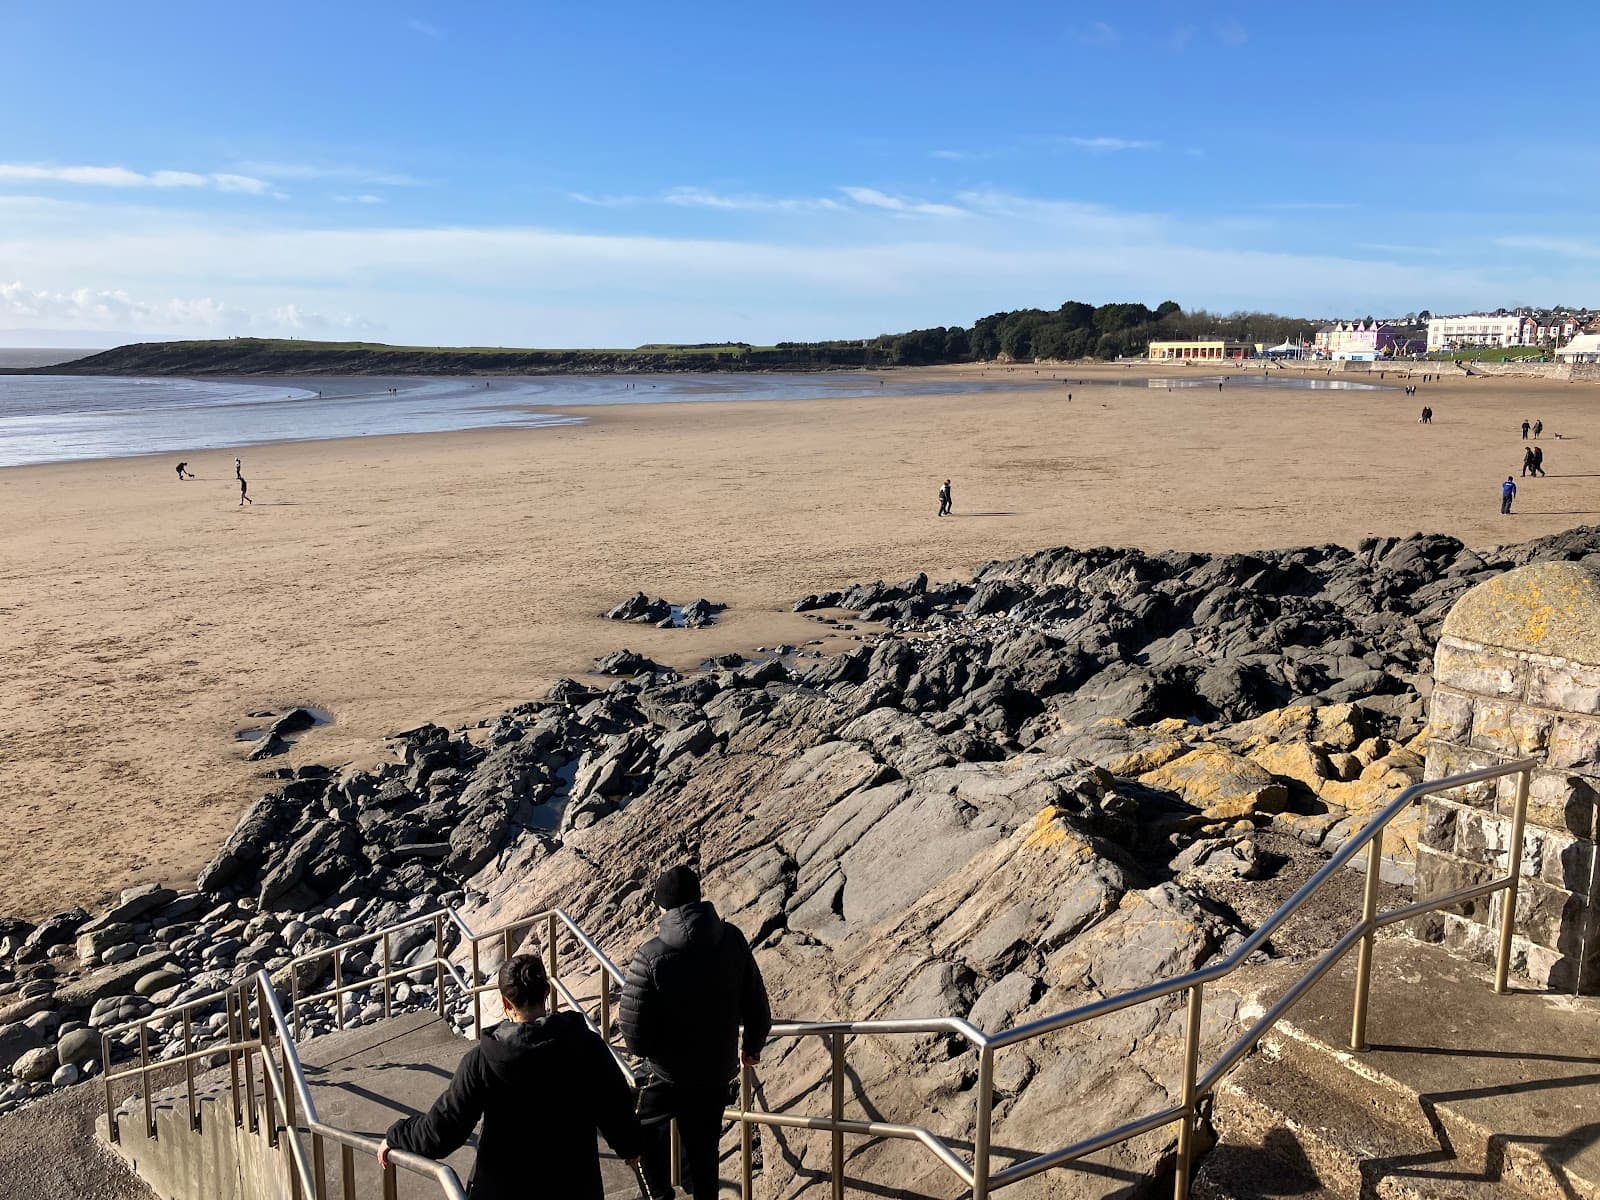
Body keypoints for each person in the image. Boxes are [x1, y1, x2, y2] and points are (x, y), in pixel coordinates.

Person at [381, 955, 642, 1200]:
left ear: (506, 1003)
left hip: (501, 1190)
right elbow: (615, 1107)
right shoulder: (587, 1046)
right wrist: (629, 1147)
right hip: (576, 1187)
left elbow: (441, 1133)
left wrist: (397, 1134)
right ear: (546, 993)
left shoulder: (482, 1060)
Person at [621, 866, 772, 1200]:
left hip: (668, 1074)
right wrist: (752, 1046)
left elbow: (634, 1036)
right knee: (705, 1154)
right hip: (716, 1073)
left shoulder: (650, 956)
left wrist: (655, 1052)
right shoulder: (731, 938)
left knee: (640, 1130)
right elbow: (756, 1001)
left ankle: (660, 1196)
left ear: (662, 907)